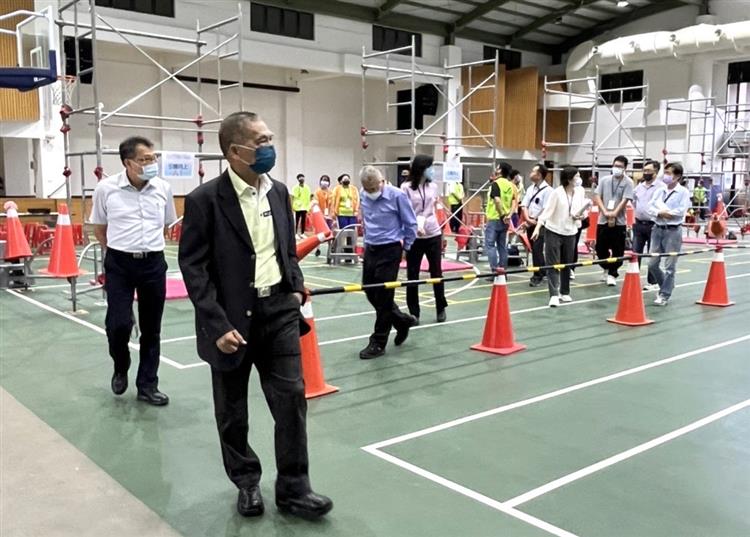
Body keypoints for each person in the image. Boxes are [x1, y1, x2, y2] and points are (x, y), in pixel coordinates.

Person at [178, 111, 332, 520]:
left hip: (278, 311)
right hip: (229, 321)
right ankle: (246, 482)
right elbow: (193, 268)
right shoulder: (204, 200)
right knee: (232, 411)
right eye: (260, 140)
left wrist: (296, 282)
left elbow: (285, 247)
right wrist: (216, 324)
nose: (268, 147)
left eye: (269, 139)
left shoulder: (279, 192)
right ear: (235, 150)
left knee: (291, 401)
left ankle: (295, 489)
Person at [90, 136, 176, 406]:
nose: (151, 163)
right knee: (118, 324)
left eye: (153, 158)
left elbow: (166, 224)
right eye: (144, 159)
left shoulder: (163, 188)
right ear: (127, 162)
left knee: (152, 328)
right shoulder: (106, 189)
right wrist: (118, 251)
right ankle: (121, 365)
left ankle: (148, 385)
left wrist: (146, 246)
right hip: (119, 264)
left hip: (152, 263)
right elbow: (100, 227)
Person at [358, 165, 418, 360]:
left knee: (384, 295)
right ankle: (401, 320)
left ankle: (378, 341)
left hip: (391, 248)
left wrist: (406, 249)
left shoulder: (397, 195)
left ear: (381, 181)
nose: (371, 192)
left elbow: (410, 223)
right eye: (368, 189)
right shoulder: (363, 194)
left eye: (374, 188)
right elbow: (366, 220)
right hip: (371, 247)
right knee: (369, 290)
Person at [531, 166, 589, 308]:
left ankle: (565, 291)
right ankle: (554, 294)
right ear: (569, 179)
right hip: (554, 231)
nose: (579, 179)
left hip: (571, 231)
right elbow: (547, 213)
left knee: (567, 263)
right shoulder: (557, 193)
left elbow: (583, 210)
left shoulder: (580, 192)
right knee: (553, 263)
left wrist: (581, 216)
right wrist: (538, 228)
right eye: (576, 176)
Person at [402, 154, 448, 324]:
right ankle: (414, 312)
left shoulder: (433, 186)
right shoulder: (406, 187)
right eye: (430, 166)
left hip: (433, 233)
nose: (432, 170)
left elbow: (431, 209)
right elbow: (405, 211)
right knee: (412, 274)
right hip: (415, 236)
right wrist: (414, 227)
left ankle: (440, 307)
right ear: (421, 168)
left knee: (436, 272)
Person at [647, 162, 692, 306]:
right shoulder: (660, 190)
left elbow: (680, 211)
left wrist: (668, 214)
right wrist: (659, 213)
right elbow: (650, 206)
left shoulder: (683, 192)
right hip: (657, 228)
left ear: (677, 176)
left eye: (669, 173)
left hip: (673, 231)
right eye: (665, 172)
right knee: (652, 264)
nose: (666, 176)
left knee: (670, 265)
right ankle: (666, 285)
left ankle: (664, 294)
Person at [593, 155, 634, 286]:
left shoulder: (628, 182)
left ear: (625, 168)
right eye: (615, 166)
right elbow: (597, 196)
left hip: (619, 221)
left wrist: (614, 214)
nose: (617, 168)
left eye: (620, 167)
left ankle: (613, 273)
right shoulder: (605, 180)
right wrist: (605, 212)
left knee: (618, 250)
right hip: (602, 219)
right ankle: (605, 267)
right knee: (600, 248)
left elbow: (625, 199)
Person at [632, 159, 662, 291]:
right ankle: (633, 278)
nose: (646, 173)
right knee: (635, 252)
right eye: (644, 170)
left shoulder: (661, 188)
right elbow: (634, 202)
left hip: (654, 225)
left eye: (649, 171)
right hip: (639, 224)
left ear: (656, 172)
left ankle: (653, 282)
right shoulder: (639, 186)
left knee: (653, 253)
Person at [521, 163, 552, 287]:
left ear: (539, 175)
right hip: (530, 222)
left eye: (533, 172)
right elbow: (524, 205)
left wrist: (536, 220)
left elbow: (546, 209)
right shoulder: (530, 188)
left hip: (541, 224)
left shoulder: (549, 191)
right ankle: (543, 270)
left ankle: (537, 275)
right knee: (534, 248)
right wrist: (528, 219)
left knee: (537, 249)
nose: (531, 174)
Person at [484, 162, 518, 272]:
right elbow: (514, 202)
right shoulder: (511, 185)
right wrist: (509, 215)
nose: (496, 169)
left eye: (497, 167)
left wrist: (503, 214)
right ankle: (503, 270)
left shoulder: (496, 184)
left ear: (500, 170)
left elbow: (497, 200)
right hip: (505, 220)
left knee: (490, 245)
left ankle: (495, 271)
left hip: (495, 218)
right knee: (502, 246)